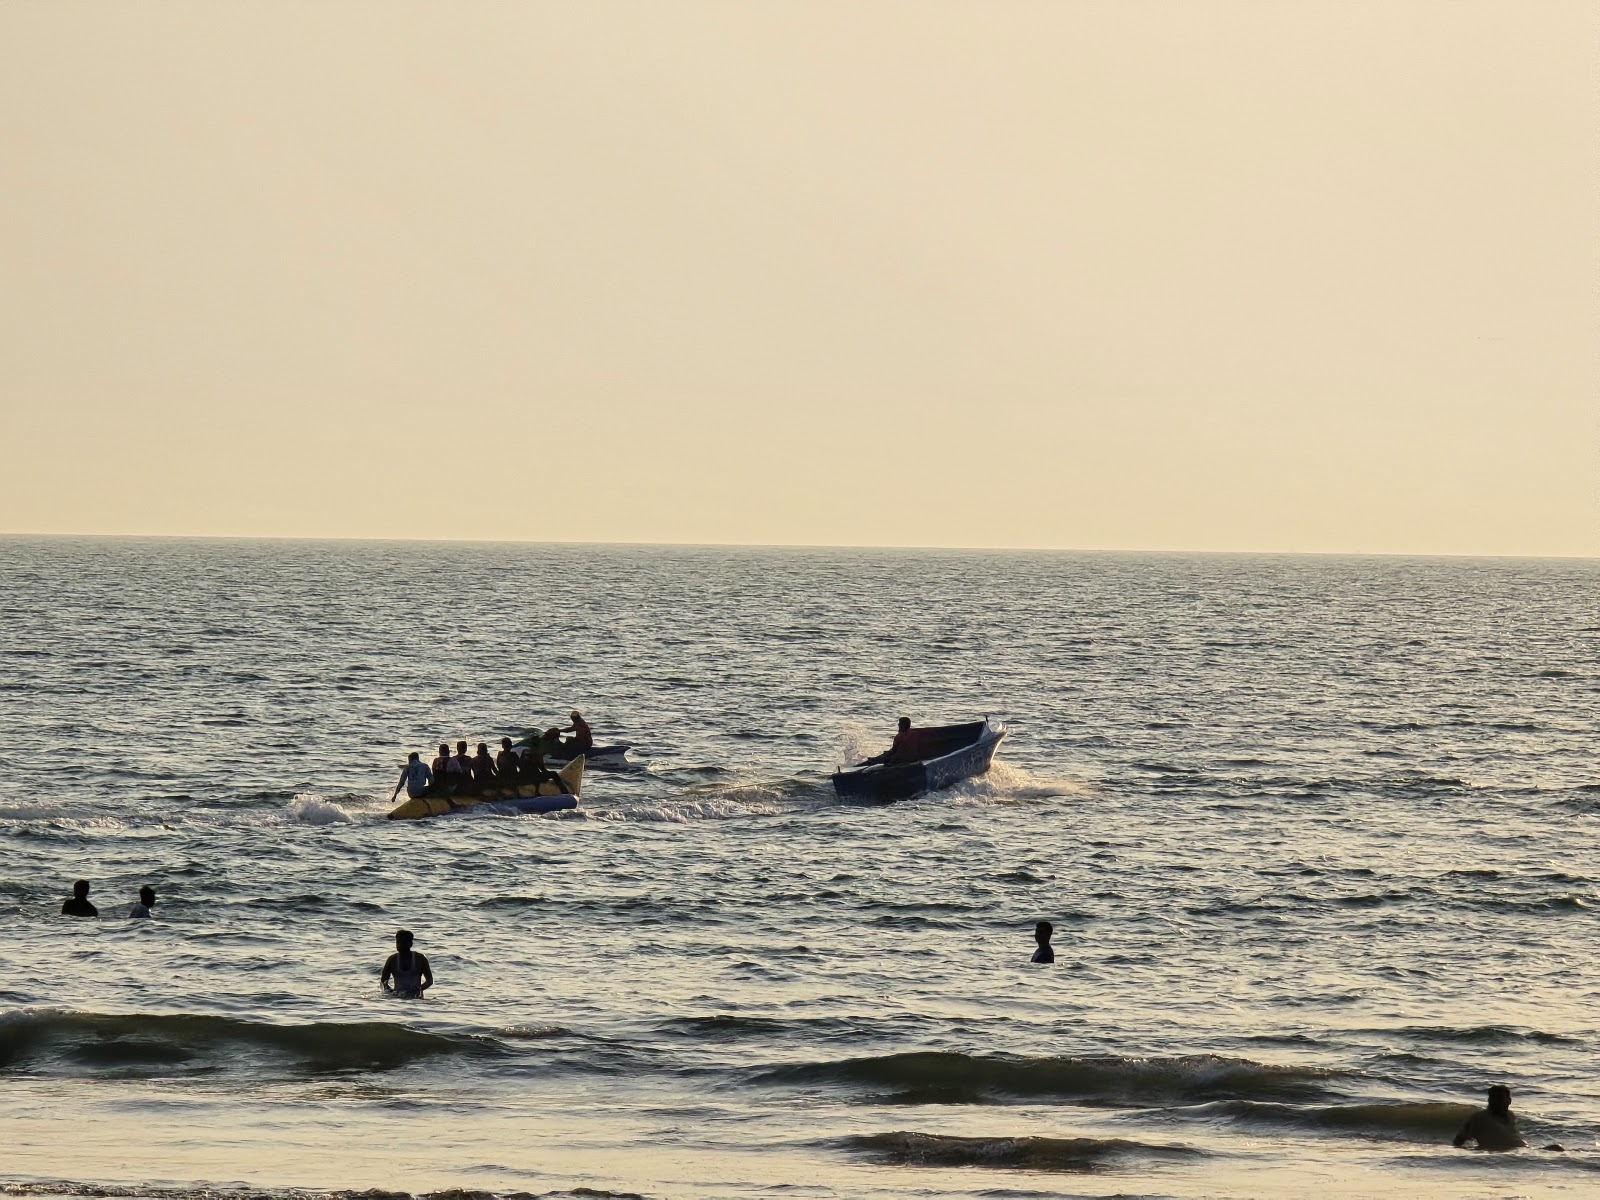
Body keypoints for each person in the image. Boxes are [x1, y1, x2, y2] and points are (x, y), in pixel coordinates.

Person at [1453, 1085, 1527, 1151]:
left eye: (1500, 1098)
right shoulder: (1480, 1118)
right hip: (1496, 1157)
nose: (1496, 1101)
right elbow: (1459, 1140)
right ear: (1489, 1100)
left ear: (1509, 1101)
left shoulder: (1510, 1115)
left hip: (1518, 1154)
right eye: (1493, 1098)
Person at [381, 929, 433, 999]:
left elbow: (429, 980)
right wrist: (391, 992)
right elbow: (383, 981)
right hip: (397, 999)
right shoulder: (392, 959)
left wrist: (420, 988)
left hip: (416, 1000)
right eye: (398, 942)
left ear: (410, 944)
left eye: (403, 943)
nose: (400, 945)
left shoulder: (420, 959)